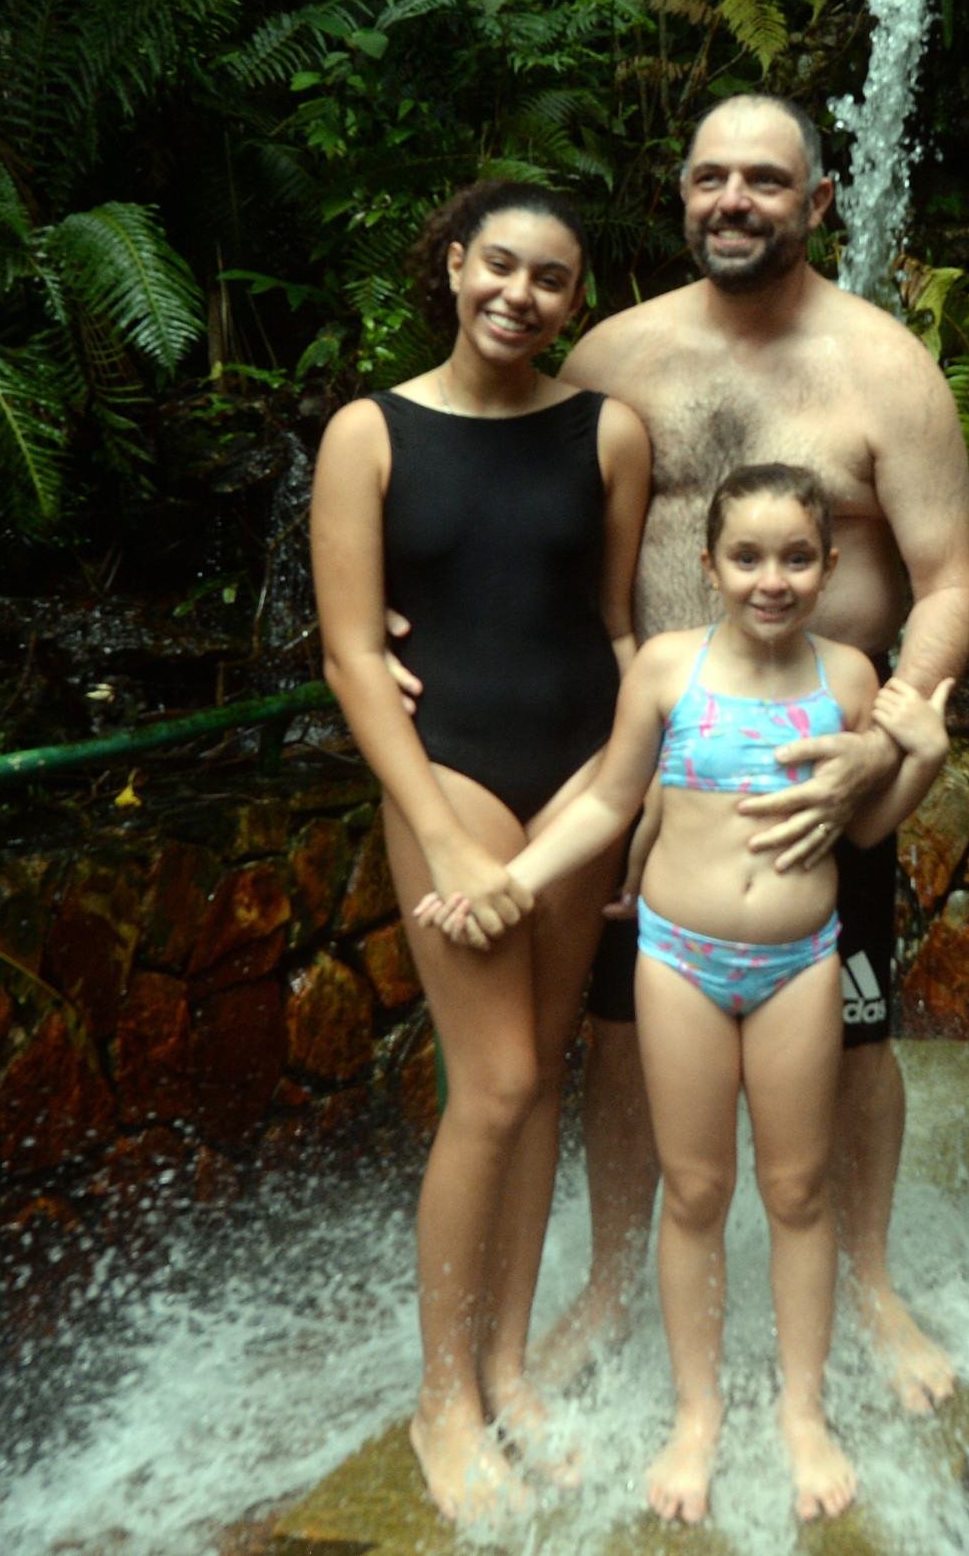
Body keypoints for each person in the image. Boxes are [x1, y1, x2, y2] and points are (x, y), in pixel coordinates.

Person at [535, 94, 969, 1413]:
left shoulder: (882, 367)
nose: (734, 200)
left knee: (855, 1028)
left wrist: (881, 737)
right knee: (618, 1029)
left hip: (816, 773)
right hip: (660, 767)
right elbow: (512, 504)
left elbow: (950, 577)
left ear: (818, 201)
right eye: (709, 178)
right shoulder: (615, 354)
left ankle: (869, 1280)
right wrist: (387, 609)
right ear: (680, 194)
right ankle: (616, 1276)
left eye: (765, 181)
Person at [426, 462, 956, 1524]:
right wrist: (511, 879)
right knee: (697, 1190)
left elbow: (862, 827)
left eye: (796, 557)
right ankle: (697, 1413)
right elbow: (611, 801)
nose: (772, 579)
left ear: (830, 565)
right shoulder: (669, 669)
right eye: (748, 557)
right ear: (706, 565)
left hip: (800, 961)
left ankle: (800, 1413)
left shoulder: (848, 677)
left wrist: (923, 756)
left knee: (798, 1190)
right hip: (677, 961)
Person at [306, 180, 648, 1526]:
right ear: (451, 266)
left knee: (545, 1071)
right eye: (496, 265)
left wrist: (632, 790)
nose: (518, 293)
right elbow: (348, 652)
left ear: (578, 299)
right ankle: (439, 1391)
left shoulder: (608, 431)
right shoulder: (366, 433)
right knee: (492, 1081)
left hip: (575, 772)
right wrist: (440, 825)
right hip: (446, 768)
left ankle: (506, 1362)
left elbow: (615, 623)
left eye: (550, 278)